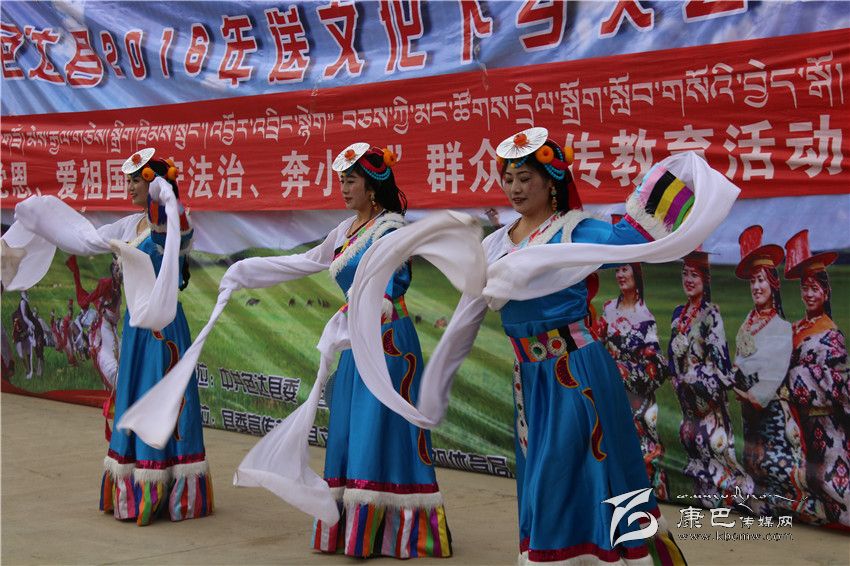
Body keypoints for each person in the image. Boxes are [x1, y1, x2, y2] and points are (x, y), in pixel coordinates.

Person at [121, 143, 452, 557]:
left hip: (387, 344)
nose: (344, 188)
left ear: (372, 186)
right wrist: (248, 271)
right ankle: (355, 529)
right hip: (354, 340)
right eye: (342, 180)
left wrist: (369, 307)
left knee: (378, 430)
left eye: (351, 181)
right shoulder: (346, 231)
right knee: (350, 429)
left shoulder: (391, 229)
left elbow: (394, 281)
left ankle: (395, 530)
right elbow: (306, 261)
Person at [2, 147, 212, 526]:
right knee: (134, 400)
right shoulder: (129, 226)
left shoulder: (174, 219)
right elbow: (85, 239)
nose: (129, 187)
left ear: (153, 183)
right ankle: (137, 485)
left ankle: (169, 491)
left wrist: (164, 192)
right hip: (135, 327)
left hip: (164, 328)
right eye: (127, 181)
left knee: (165, 401)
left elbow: (171, 234)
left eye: (136, 180)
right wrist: (40, 215)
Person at [669, 250, 753, 508]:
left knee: (719, 460)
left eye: (694, 275)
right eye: (685, 274)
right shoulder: (677, 315)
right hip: (688, 408)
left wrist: (693, 378)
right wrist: (676, 376)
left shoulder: (711, 316)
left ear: (705, 280)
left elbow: (720, 364)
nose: (688, 280)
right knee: (698, 466)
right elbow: (672, 357)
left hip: (709, 409)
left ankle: (739, 502)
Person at [731, 225, 803, 517]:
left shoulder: (781, 328)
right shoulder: (748, 323)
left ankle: (780, 507)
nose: (756, 287)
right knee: (752, 460)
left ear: (773, 284)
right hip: (750, 412)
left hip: (770, 412)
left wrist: (745, 390)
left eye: (761, 280)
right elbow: (740, 361)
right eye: (752, 281)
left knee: (774, 463)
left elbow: (771, 377)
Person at [597, 215, 669, 500]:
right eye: (617, 270)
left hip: (638, 400)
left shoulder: (645, 316)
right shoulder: (607, 309)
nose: (620, 275)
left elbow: (655, 366)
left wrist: (623, 370)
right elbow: (598, 344)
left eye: (625, 269)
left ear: (636, 273)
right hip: (612, 395)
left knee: (642, 452)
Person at [784, 229, 849, 527]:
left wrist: (801, 374)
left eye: (815, 288)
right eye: (805, 288)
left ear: (826, 292)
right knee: (805, 479)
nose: (809, 294)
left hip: (826, 422)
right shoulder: (795, 328)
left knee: (832, 480)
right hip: (798, 422)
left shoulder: (831, 334)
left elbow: (840, 384)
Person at [66, 255, 122, 390]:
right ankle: (116, 384)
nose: (120, 273)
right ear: (113, 270)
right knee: (109, 353)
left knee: (119, 350)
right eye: (117, 269)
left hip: (111, 326)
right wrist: (101, 309)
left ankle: (116, 385)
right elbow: (93, 297)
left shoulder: (118, 287)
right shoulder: (106, 283)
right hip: (104, 326)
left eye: (120, 269)